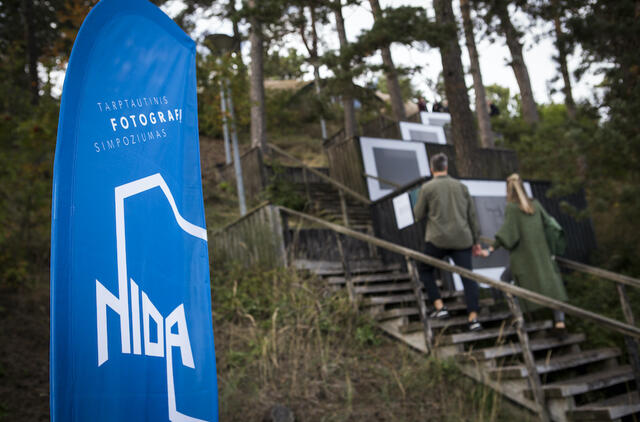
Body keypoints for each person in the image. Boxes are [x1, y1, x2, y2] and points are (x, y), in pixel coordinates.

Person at [413, 153, 484, 331]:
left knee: (425, 270)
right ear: (446, 167)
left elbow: (418, 214)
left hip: (437, 240)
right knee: (468, 277)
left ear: (432, 169)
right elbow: (472, 216)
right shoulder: (461, 187)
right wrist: (476, 241)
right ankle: (473, 318)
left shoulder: (427, 188)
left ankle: (440, 307)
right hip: (462, 240)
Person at [490, 174, 568, 333]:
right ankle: (560, 323)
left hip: (523, 258)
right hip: (542, 255)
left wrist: (491, 248)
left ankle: (518, 316)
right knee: (552, 285)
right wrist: (552, 249)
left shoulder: (512, 208)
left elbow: (508, 233)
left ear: (508, 190)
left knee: (505, 280)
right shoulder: (536, 205)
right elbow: (550, 225)